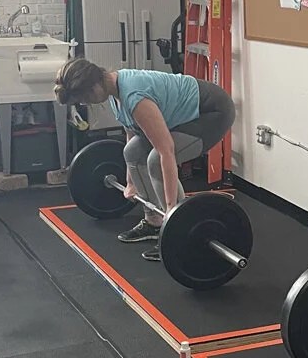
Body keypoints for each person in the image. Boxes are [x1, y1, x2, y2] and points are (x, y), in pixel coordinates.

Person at [54, 58, 236, 261]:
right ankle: (154, 222)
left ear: (95, 83)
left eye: (85, 96)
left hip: (212, 112)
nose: (86, 102)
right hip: (185, 115)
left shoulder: (134, 96)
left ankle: (180, 232)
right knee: (132, 152)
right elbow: (132, 132)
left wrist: (172, 210)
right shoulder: (114, 91)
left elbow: (166, 151)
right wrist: (130, 182)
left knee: (156, 161)